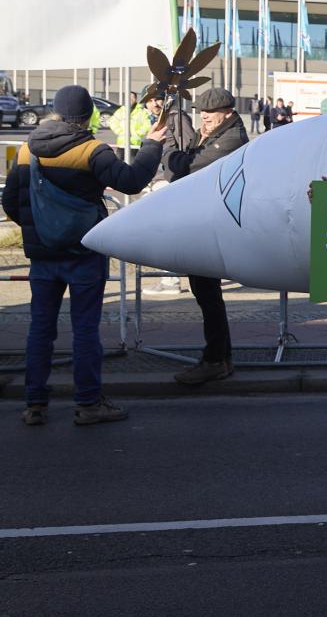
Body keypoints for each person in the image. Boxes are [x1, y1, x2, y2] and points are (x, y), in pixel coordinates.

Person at [4, 86, 166, 425]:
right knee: (85, 329)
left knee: (40, 329)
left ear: (54, 112)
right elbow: (132, 181)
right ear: (89, 115)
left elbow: (10, 203)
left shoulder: (25, 151)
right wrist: (151, 145)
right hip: (84, 252)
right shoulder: (92, 150)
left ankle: (34, 404)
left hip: (43, 257)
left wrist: (40, 229)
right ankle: (88, 403)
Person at [168, 88, 250, 385]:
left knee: (208, 295)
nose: (204, 118)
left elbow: (184, 167)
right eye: (201, 113)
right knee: (206, 295)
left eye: (210, 113)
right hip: (205, 222)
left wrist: (168, 152)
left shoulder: (231, 139)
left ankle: (216, 359)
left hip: (214, 225)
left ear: (227, 112)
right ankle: (220, 358)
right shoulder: (211, 134)